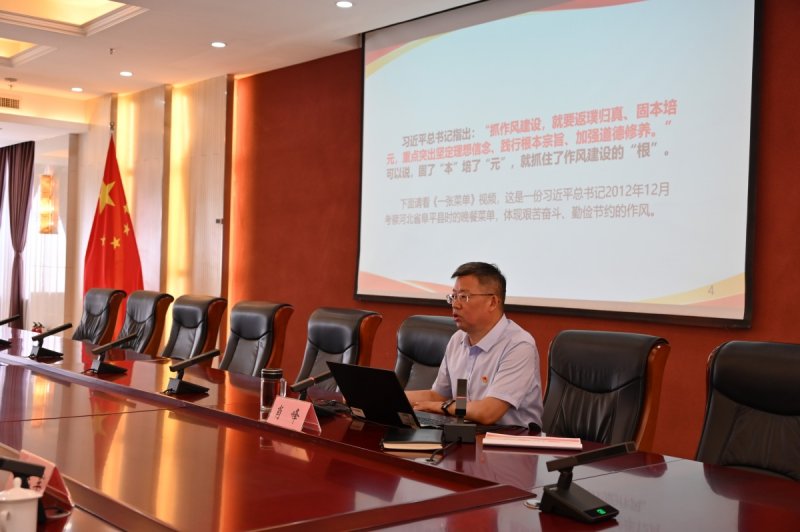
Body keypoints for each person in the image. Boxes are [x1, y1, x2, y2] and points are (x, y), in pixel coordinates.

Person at [406, 262, 542, 428]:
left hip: (509, 439)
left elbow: (488, 412)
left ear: (492, 302)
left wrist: (441, 407)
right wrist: (389, 396)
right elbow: (438, 396)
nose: (455, 304)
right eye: (453, 296)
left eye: (464, 297)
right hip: (465, 433)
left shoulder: (519, 346)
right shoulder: (457, 340)